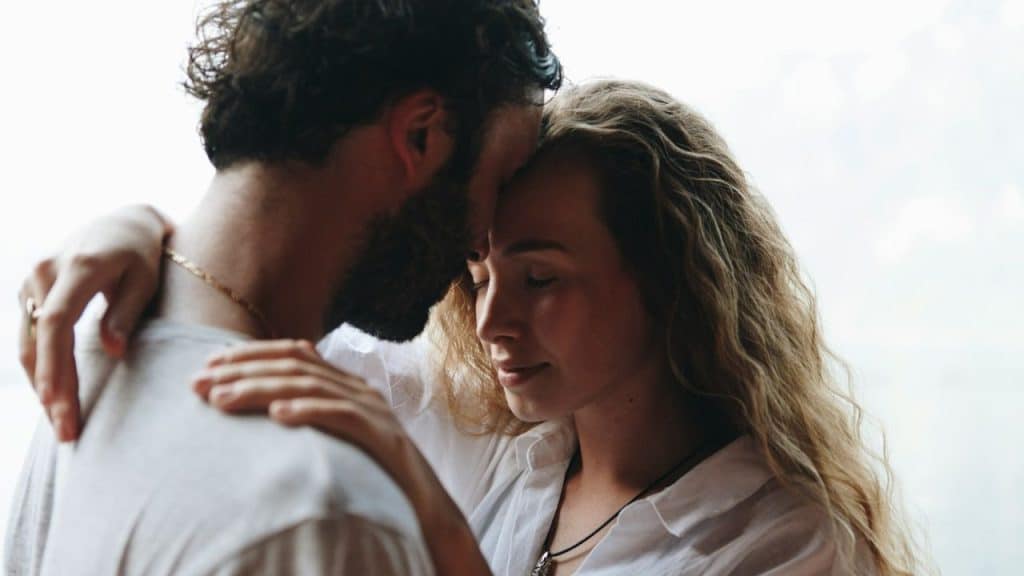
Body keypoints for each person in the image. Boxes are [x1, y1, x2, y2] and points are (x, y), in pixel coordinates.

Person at [15, 80, 923, 575]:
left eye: (539, 278)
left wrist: (425, 506)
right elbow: (251, 285)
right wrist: (134, 229)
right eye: (479, 272)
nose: (491, 320)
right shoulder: (494, 432)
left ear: (677, 285)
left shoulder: (786, 546)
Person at [6, 0, 561, 575]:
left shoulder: (85, 355)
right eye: (498, 178)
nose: (481, 241)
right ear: (420, 135)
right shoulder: (323, 512)